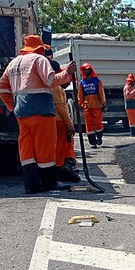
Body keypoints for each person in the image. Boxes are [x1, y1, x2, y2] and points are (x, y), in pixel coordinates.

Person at [0, 35, 76, 193]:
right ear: (40, 48)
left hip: (22, 113)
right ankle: (49, 182)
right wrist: (68, 72)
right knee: (45, 147)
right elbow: (50, 80)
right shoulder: (39, 59)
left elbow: (1, 88)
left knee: (27, 149)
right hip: (41, 110)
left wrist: (13, 107)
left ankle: (31, 185)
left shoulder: (13, 63)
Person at [44, 45, 80, 182]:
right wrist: (70, 124)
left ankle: (59, 168)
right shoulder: (56, 88)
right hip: (58, 121)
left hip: (48, 120)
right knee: (62, 145)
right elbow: (61, 106)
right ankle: (60, 169)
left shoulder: (44, 85)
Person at [77, 62, 106, 148]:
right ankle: (93, 142)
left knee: (98, 123)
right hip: (87, 106)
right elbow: (80, 94)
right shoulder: (82, 83)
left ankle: (99, 137)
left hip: (97, 105)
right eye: (84, 70)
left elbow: (101, 92)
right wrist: (80, 104)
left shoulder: (97, 81)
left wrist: (103, 103)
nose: (86, 71)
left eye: (87, 70)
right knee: (89, 125)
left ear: (90, 70)